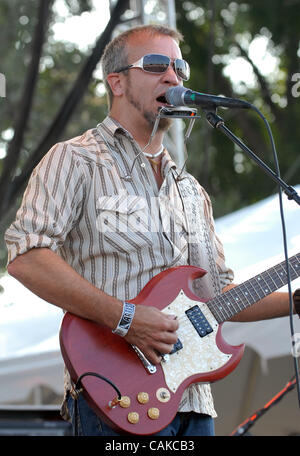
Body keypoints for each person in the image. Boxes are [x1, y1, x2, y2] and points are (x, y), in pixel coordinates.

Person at [5, 24, 294, 437]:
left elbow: (218, 295)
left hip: (193, 402)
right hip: (117, 398)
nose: (173, 77)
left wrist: (296, 301)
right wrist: (125, 319)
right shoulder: (75, 160)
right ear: (117, 82)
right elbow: (26, 256)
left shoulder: (192, 191)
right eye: (157, 65)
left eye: (180, 67)